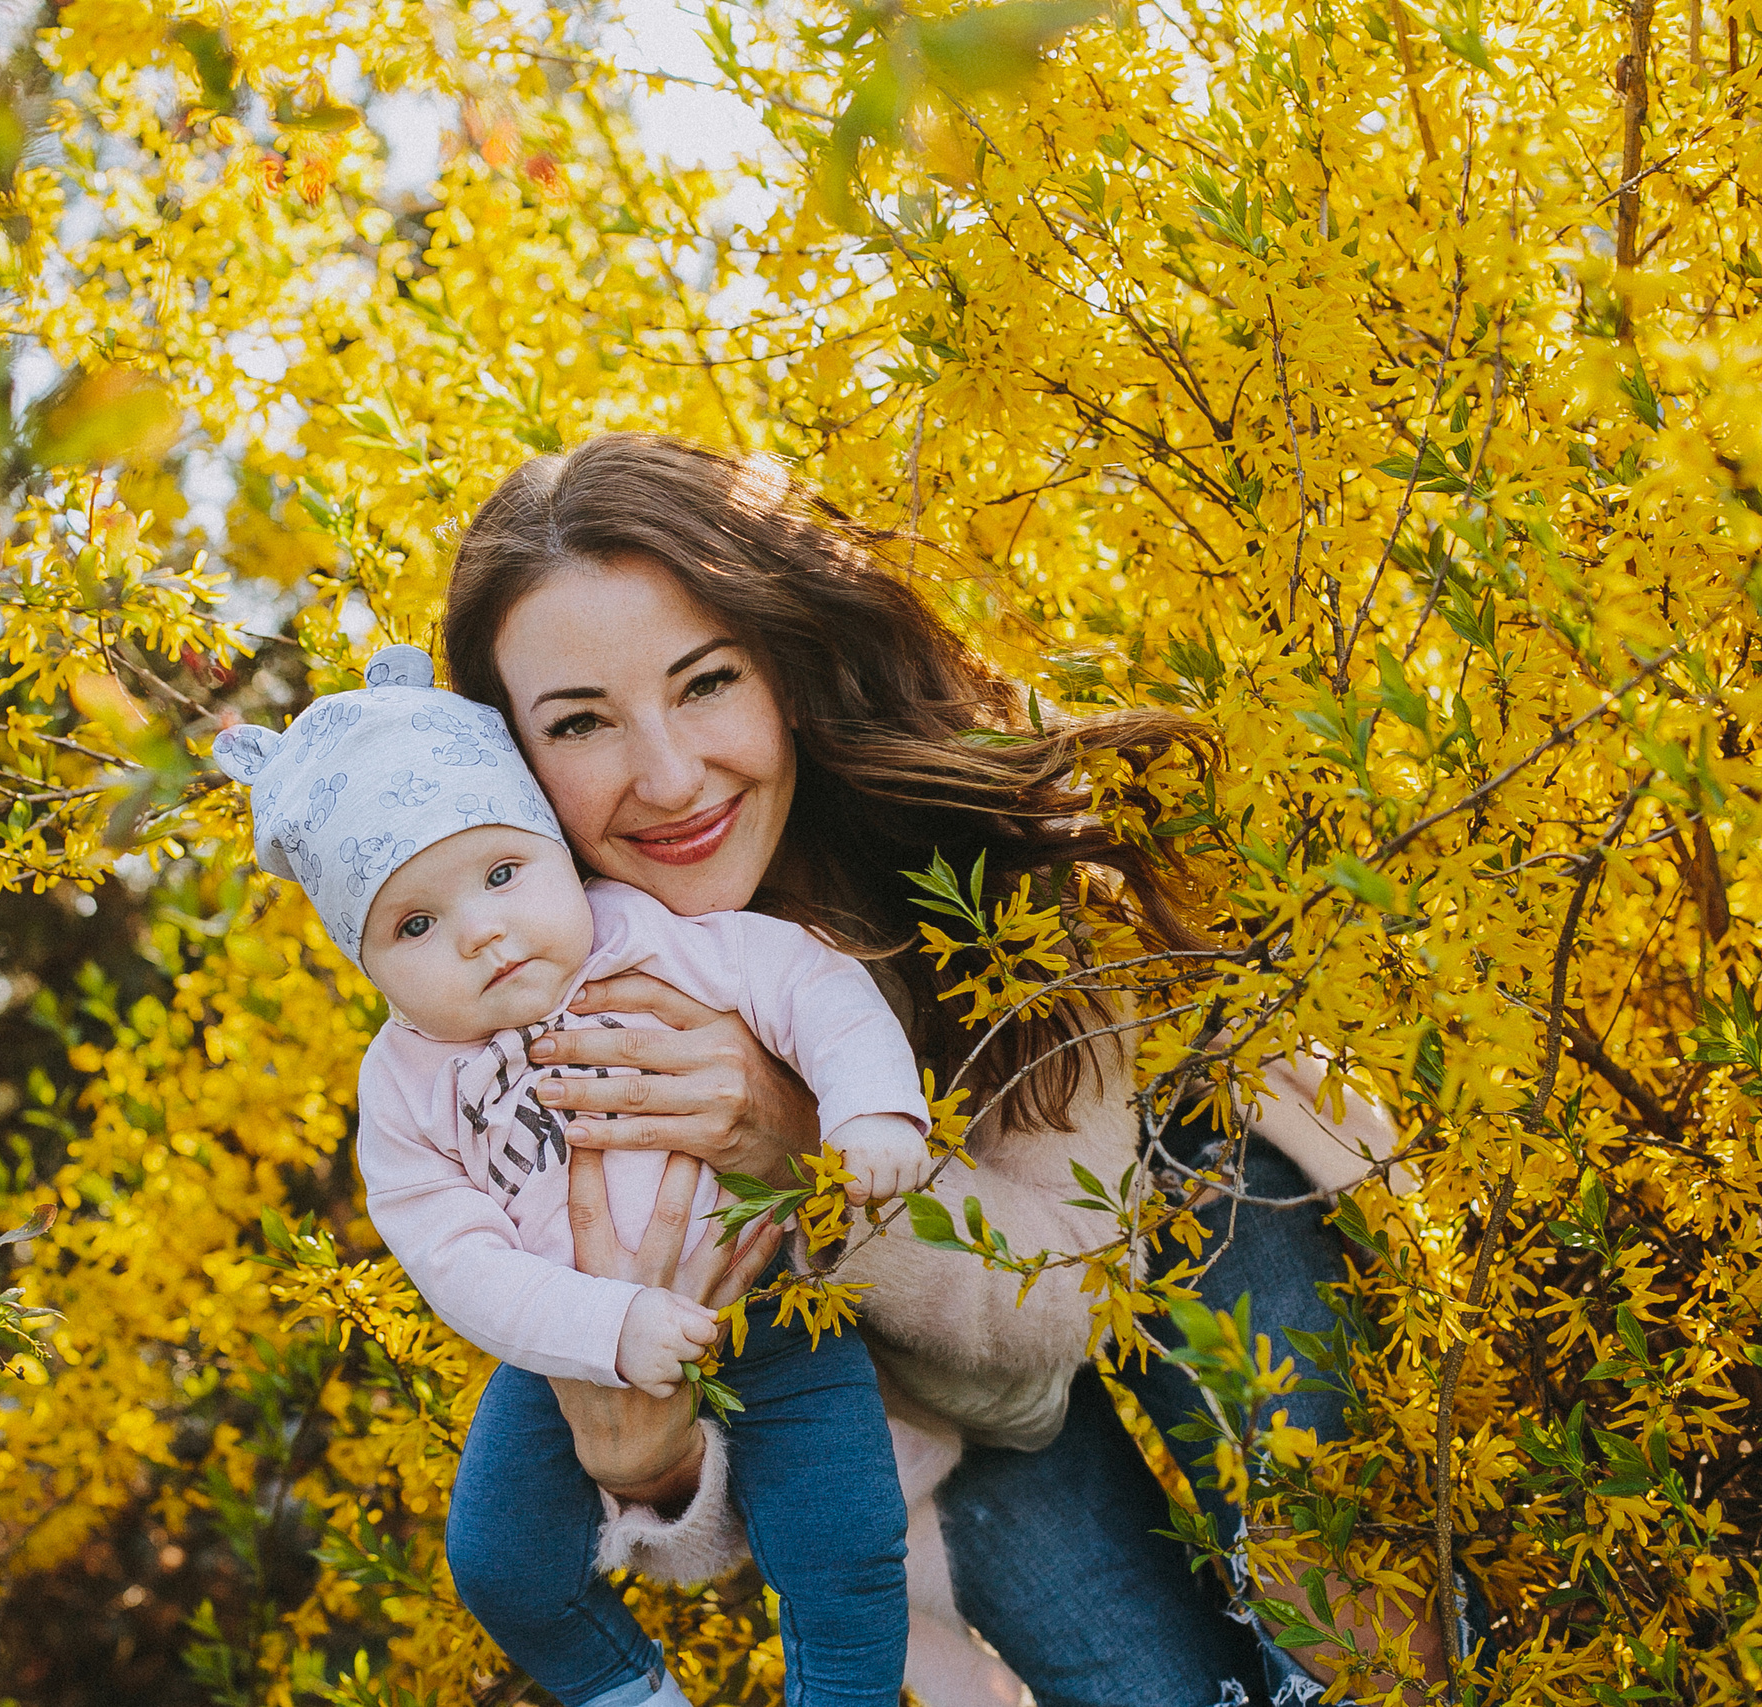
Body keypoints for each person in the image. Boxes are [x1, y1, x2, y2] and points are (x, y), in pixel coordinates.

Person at [440, 432, 1449, 1707]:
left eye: (705, 683)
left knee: (1349, 1633)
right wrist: (651, 1468)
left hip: (1164, 1201)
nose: (670, 776)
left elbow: (1049, 1309)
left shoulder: (990, 837)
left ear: (786, 660)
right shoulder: (524, 981)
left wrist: (797, 1142)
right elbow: (746, 1442)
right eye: (580, 723)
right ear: (507, 767)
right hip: (936, 1406)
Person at [210, 643, 919, 1707]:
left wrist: (867, 1106)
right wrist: (602, 1329)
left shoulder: (646, 934)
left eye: (502, 874)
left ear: (554, 852)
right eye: (415, 924)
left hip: (777, 1312)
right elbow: (454, 1260)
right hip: (567, 1359)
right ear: (368, 965)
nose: (482, 930)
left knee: (848, 1554)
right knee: (501, 1565)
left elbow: (811, 989)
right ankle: (629, 1692)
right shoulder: (403, 1088)